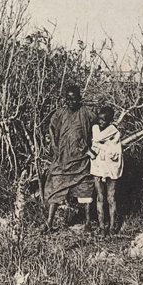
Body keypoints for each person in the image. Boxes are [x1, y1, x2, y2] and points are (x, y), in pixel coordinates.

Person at [43, 85, 96, 232]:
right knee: (55, 187)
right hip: (62, 159)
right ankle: (49, 223)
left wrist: (93, 146)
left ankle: (87, 223)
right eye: (68, 99)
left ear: (79, 98)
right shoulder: (60, 113)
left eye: (73, 99)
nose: (70, 102)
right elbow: (51, 127)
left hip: (81, 160)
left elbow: (98, 125)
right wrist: (54, 145)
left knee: (85, 190)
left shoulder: (86, 113)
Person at [89, 105, 123, 235]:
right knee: (100, 197)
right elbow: (96, 139)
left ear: (109, 121)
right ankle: (102, 226)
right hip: (98, 166)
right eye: (100, 119)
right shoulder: (96, 128)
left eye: (104, 120)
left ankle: (113, 226)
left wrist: (100, 147)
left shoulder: (113, 131)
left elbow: (99, 141)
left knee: (111, 198)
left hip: (111, 167)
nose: (101, 122)